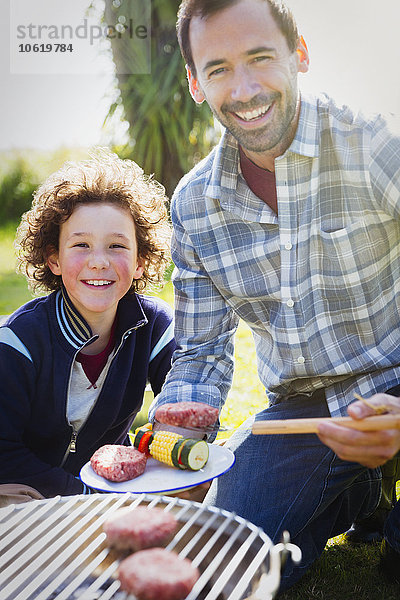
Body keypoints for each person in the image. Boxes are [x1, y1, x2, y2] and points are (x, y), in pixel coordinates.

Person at [149, 0, 400, 591]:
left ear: (300, 55)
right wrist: (178, 445)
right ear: (195, 83)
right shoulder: (192, 207)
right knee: (222, 561)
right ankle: (359, 490)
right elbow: (199, 351)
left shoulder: (374, 143)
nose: (244, 88)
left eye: (260, 57)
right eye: (218, 69)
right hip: (303, 410)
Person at [0, 151, 175, 505]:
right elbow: (4, 453)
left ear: (140, 261)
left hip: (109, 484)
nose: (99, 261)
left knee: (196, 492)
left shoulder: (154, 327)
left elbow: (181, 403)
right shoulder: (18, 341)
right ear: (54, 259)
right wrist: (85, 497)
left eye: (117, 246)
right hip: (28, 486)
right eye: (81, 245)